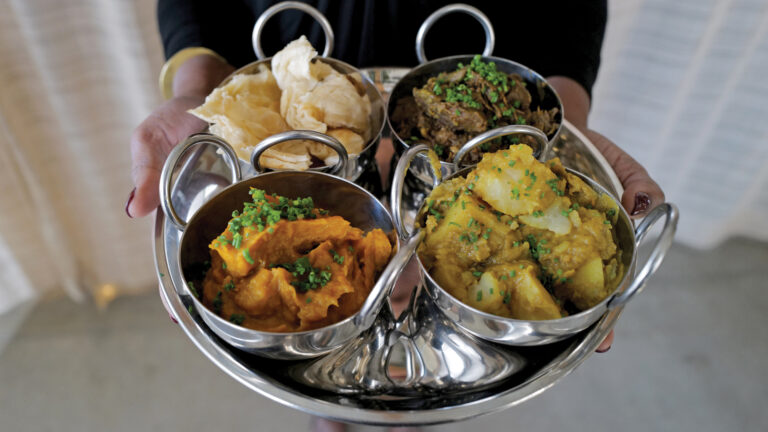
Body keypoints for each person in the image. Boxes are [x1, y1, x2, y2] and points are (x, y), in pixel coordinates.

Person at [126, 1, 664, 430]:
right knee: (324, 335)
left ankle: (405, 411)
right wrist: (199, 87)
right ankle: (330, 406)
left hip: (473, 64)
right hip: (293, 56)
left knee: (400, 307)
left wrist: (567, 117)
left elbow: (572, 11)